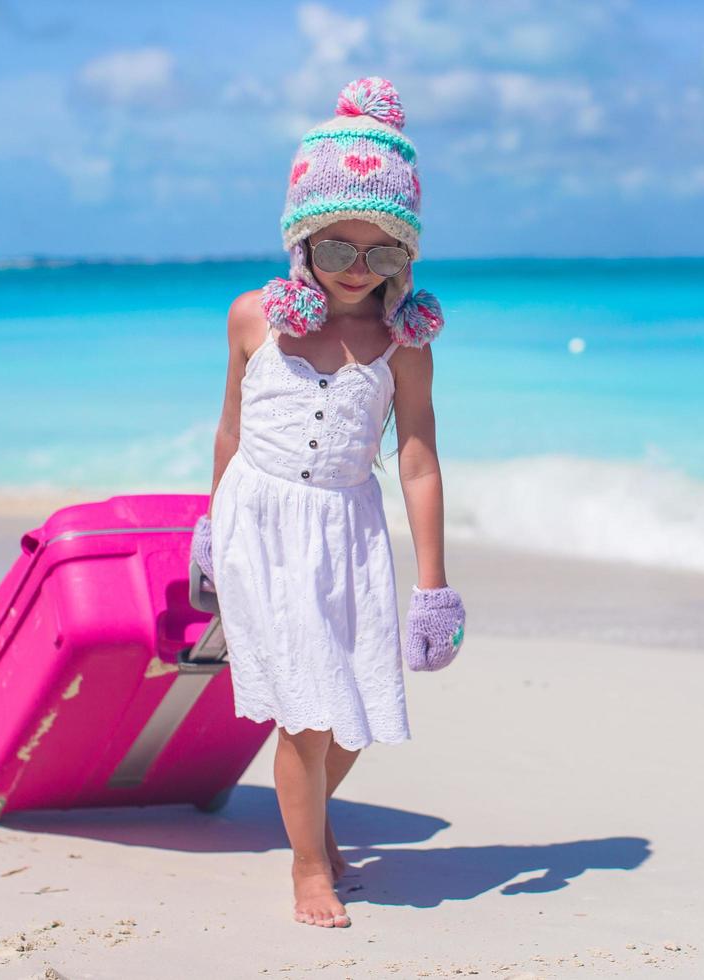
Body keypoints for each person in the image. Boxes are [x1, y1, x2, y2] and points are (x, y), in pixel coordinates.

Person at [189, 77, 466, 929]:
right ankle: (310, 866)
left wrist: (434, 584)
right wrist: (208, 529)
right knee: (307, 718)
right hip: (259, 527)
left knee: (354, 716)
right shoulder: (253, 320)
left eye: (381, 252)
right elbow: (230, 434)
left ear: (406, 258)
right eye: (337, 247)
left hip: (347, 534)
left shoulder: (402, 346)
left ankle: (312, 822)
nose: (357, 269)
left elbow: (416, 461)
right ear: (302, 239)